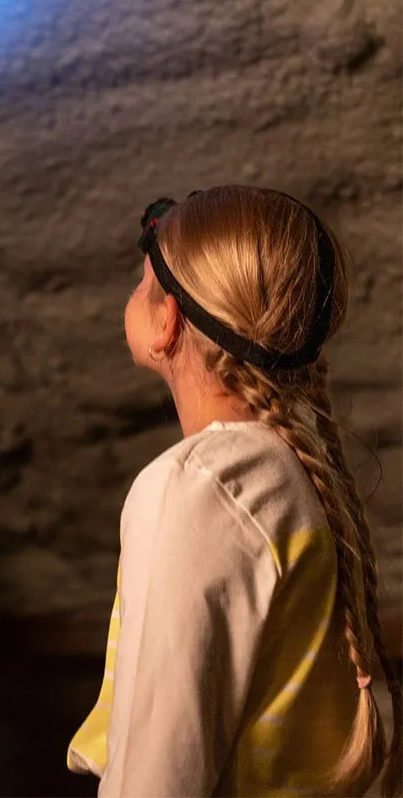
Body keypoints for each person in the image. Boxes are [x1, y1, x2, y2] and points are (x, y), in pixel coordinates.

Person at [67, 185, 402, 797]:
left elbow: (159, 776)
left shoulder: (196, 488)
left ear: (167, 323)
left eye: (143, 284)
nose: (133, 295)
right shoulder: (288, 471)